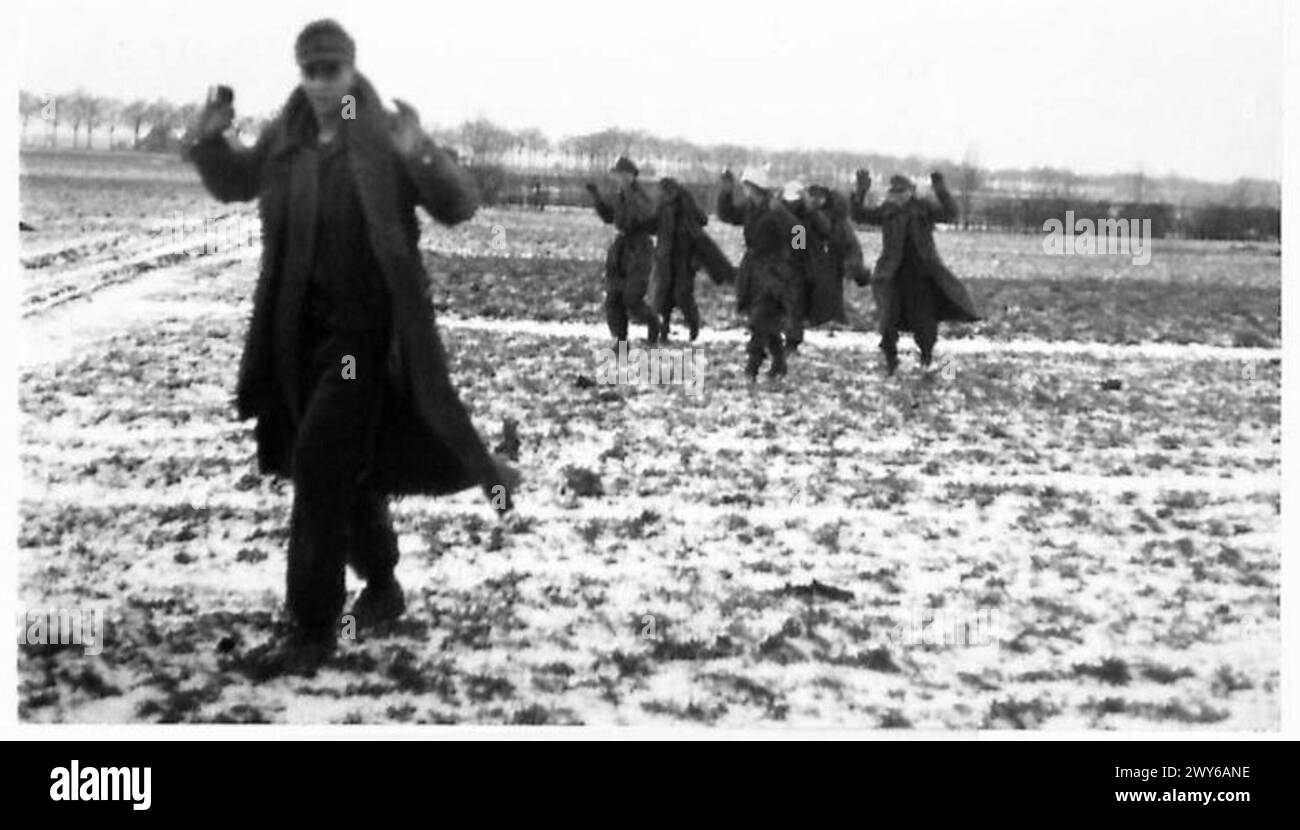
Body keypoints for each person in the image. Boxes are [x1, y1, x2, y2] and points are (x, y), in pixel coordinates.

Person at [188, 19, 517, 672]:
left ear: (350, 70)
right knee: (346, 465)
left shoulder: (381, 137)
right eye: (309, 71)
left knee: (317, 465)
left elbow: (459, 204)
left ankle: (311, 629)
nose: (318, 83)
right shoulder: (287, 138)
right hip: (297, 338)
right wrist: (210, 138)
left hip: (364, 340)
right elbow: (235, 182)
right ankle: (384, 587)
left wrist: (422, 152)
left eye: (330, 70)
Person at [849, 170, 980, 375]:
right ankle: (891, 361)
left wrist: (940, 188)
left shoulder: (923, 209)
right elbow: (859, 215)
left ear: (910, 192)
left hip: (922, 276)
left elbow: (950, 213)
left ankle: (926, 358)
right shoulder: (887, 211)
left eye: (902, 191)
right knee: (888, 320)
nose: (898, 196)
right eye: (894, 192)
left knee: (924, 321)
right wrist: (860, 190)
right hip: (891, 276)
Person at [716, 166, 800, 380]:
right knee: (765, 319)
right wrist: (725, 192)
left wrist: (793, 258)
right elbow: (728, 215)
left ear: (757, 188)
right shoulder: (750, 207)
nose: (746, 191)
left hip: (774, 271)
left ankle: (752, 366)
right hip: (753, 270)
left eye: (748, 187)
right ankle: (779, 362)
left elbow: (799, 232)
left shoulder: (775, 208)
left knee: (759, 318)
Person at [651, 177, 735, 342]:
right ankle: (664, 331)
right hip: (666, 257)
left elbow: (702, 219)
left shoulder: (685, 202)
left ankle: (693, 325)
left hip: (684, 257)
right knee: (664, 296)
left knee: (682, 295)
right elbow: (654, 225)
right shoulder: (662, 206)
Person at [587, 157, 661, 344]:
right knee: (613, 298)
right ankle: (621, 343)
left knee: (632, 298)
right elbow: (610, 217)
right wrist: (596, 197)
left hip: (639, 249)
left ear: (630, 176)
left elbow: (642, 213)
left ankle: (653, 324)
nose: (617, 179)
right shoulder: (621, 195)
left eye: (621, 175)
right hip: (620, 249)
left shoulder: (641, 195)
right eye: (617, 175)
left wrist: (628, 191)